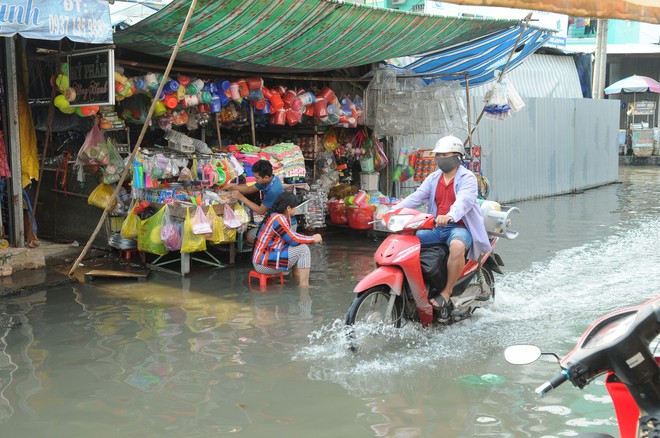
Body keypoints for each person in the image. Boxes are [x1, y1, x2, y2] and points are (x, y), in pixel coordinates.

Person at [394, 135, 490, 315]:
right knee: (406, 241)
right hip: (437, 228)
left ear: (457, 156)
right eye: (438, 155)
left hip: (460, 228)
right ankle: (417, 286)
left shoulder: (468, 178)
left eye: (444, 155)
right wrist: (393, 210)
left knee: (457, 246)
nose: (440, 159)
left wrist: (450, 215)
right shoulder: (433, 178)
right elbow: (417, 197)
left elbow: (464, 201)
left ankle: (446, 292)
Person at [252, 192, 322, 287]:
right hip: (262, 265)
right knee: (304, 250)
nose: (296, 209)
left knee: (299, 247)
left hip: (263, 260)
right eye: (295, 207)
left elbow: (291, 236)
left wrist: (310, 238)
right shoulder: (278, 219)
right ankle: (304, 287)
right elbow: (294, 239)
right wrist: (313, 238)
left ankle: (297, 280)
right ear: (288, 208)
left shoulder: (278, 216)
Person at [225, 160, 285, 244]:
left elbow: (261, 211)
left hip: (279, 223)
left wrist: (241, 197)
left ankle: (272, 250)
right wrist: (232, 186)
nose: (255, 179)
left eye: (257, 178)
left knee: (250, 236)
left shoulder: (273, 190)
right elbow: (249, 189)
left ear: (266, 177)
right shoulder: (268, 180)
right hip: (272, 216)